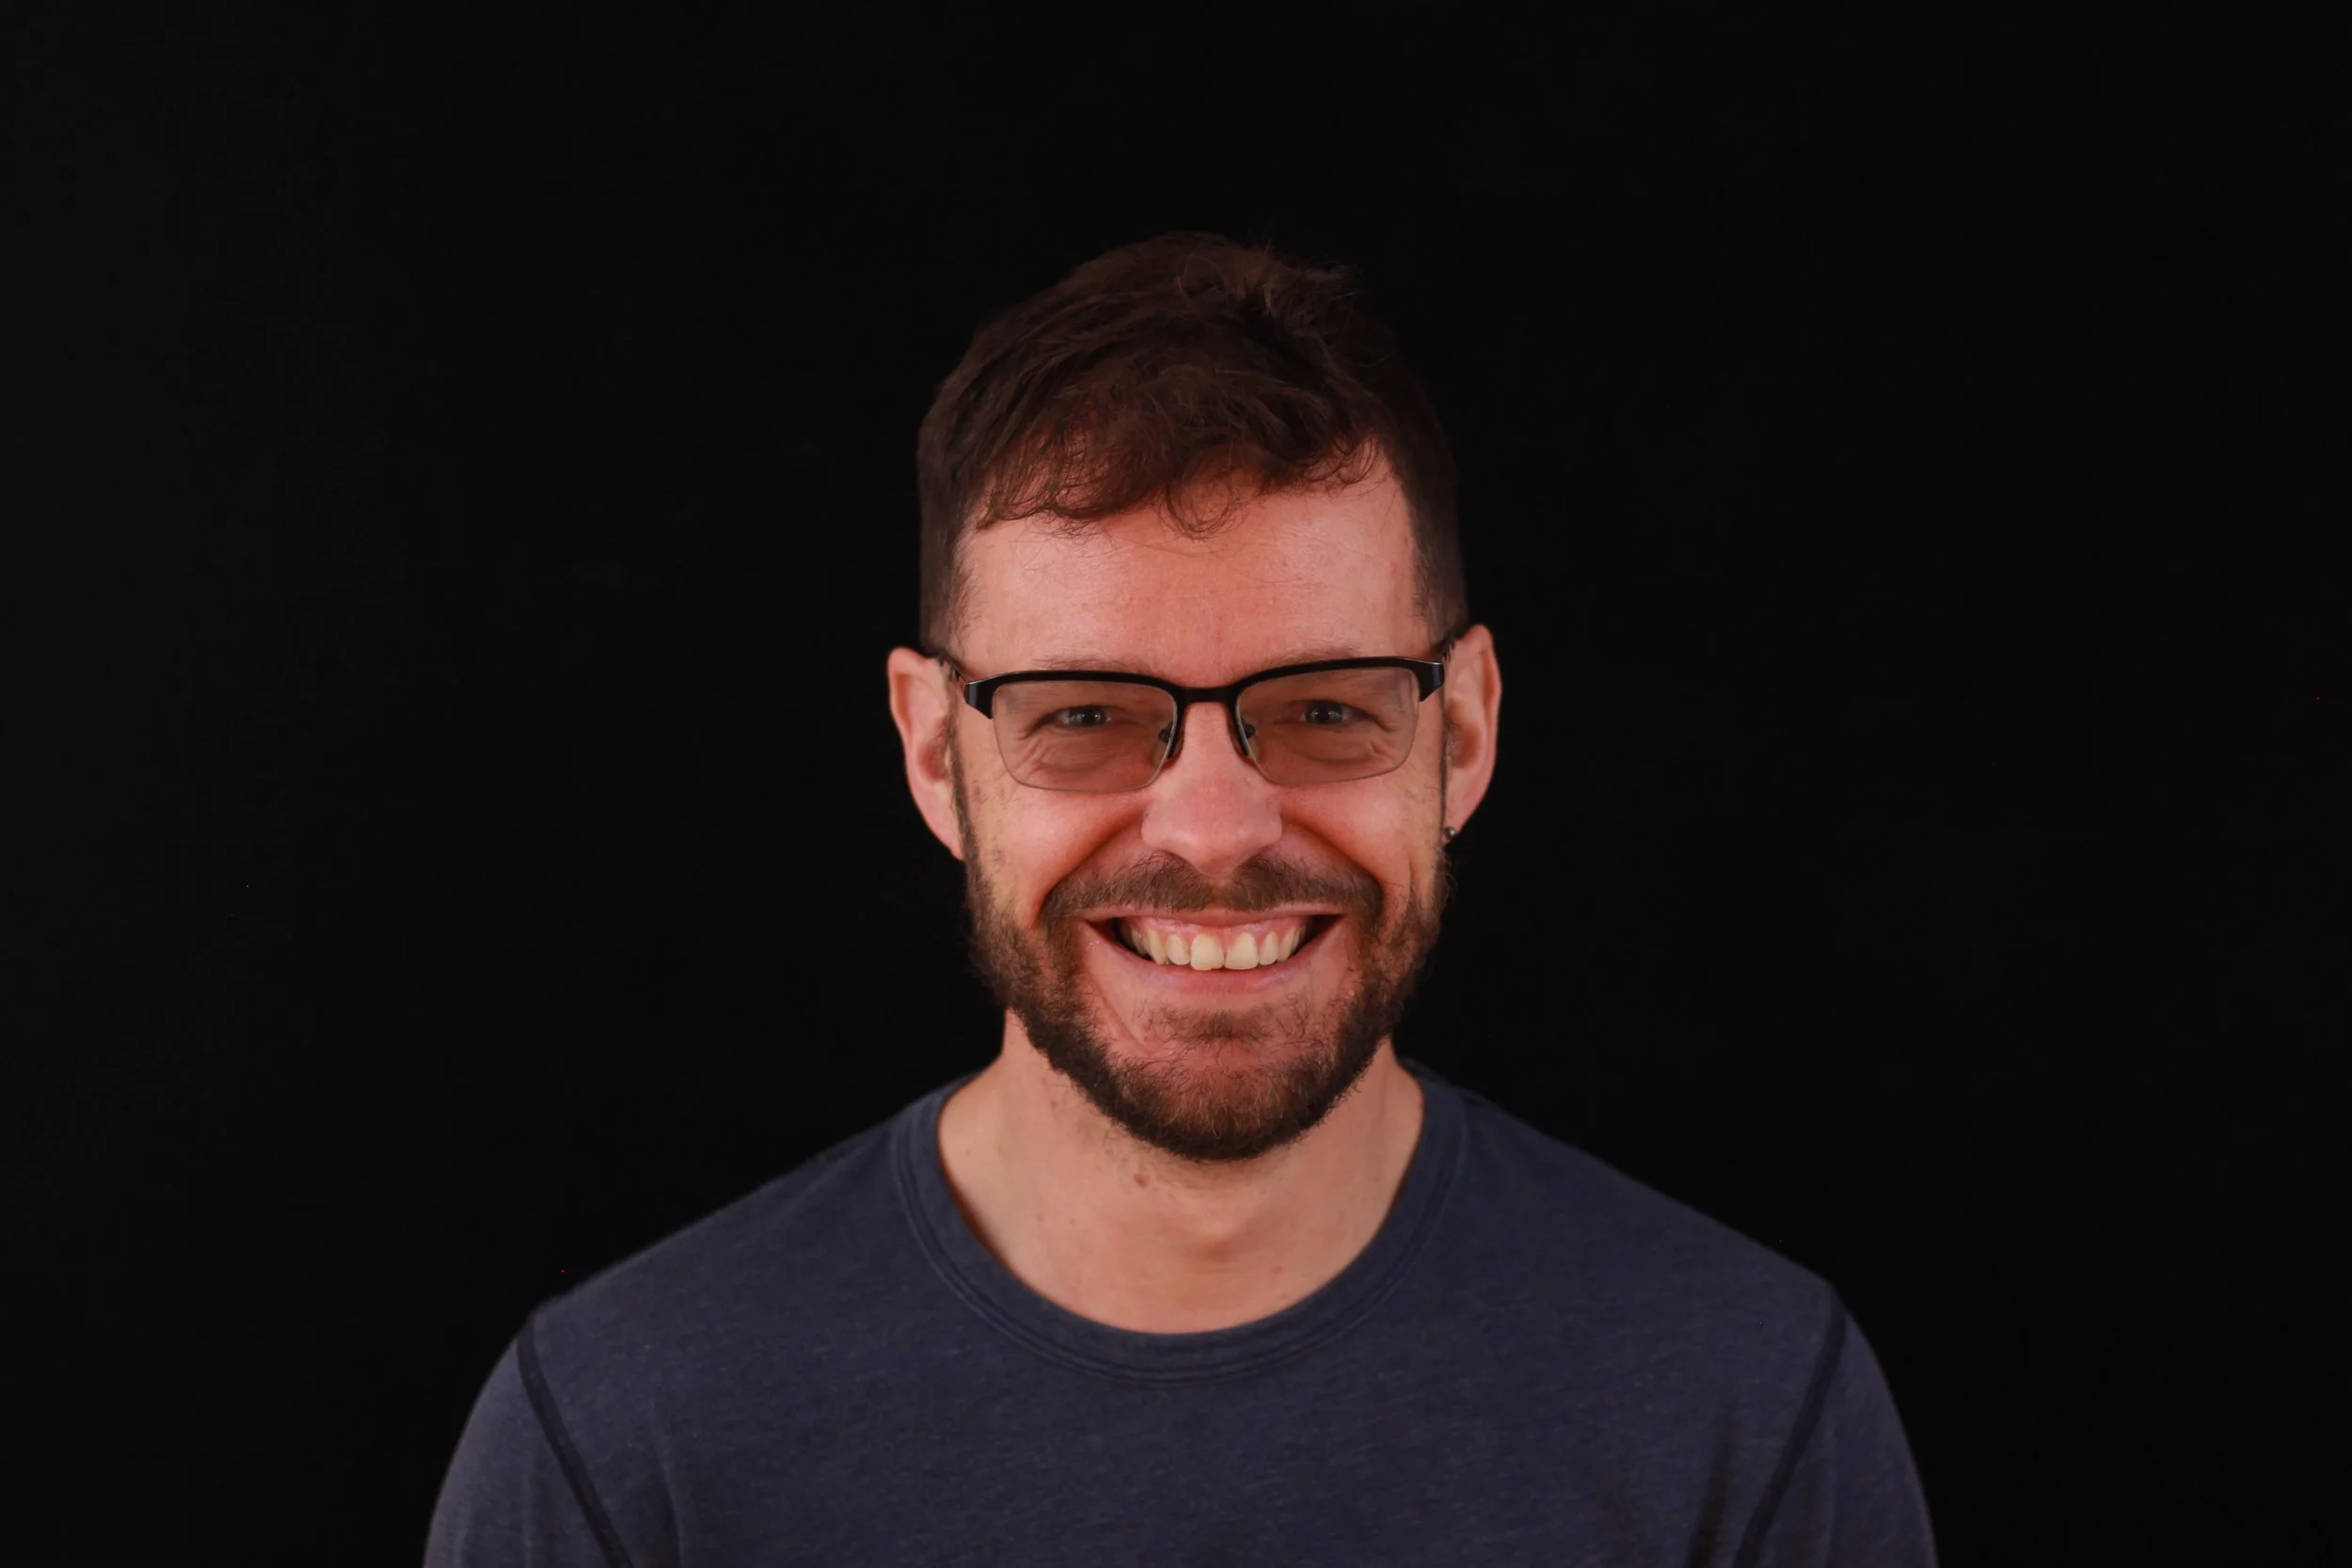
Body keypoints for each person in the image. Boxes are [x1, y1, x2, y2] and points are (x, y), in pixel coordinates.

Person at [426, 232, 1938, 1566]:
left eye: (1326, 709)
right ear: (938, 756)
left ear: (1463, 733)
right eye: (1081, 714)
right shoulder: (623, 1451)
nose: (1215, 826)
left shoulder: (1748, 1408)